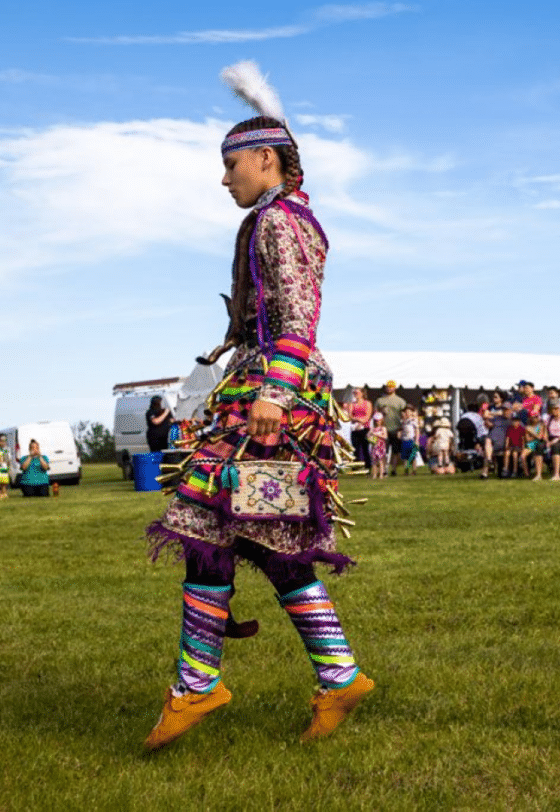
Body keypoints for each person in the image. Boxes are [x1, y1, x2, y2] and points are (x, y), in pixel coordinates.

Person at [143, 62, 373, 750]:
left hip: (277, 397)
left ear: (266, 158)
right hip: (263, 388)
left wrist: (273, 392)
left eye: (231, 164)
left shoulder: (281, 223)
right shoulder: (278, 218)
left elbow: (301, 309)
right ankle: (334, 677)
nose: (224, 178)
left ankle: (199, 684)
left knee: (211, 522)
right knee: (251, 534)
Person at [374, 380, 407, 476]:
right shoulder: (380, 400)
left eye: (391, 386)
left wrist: (402, 428)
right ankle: (384, 470)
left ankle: (394, 469)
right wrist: (381, 413)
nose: (389, 388)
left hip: (396, 428)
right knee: (383, 451)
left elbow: (405, 415)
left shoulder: (400, 401)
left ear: (395, 388)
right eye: (388, 386)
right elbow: (375, 414)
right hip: (383, 429)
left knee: (396, 451)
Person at [348, 387, 372, 466]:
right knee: (355, 448)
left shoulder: (367, 403)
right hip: (355, 429)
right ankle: (357, 466)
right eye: (354, 393)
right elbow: (350, 416)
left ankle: (368, 466)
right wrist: (358, 420)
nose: (356, 395)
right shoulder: (352, 404)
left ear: (362, 393)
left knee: (365, 447)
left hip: (365, 429)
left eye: (357, 393)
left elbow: (367, 417)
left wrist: (357, 419)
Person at [368, 412, 388, 479]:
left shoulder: (383, 428)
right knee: (374, 461)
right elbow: (368, 436)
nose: (377, 422)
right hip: (374, 446)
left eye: (379, 420)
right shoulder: (373, 429)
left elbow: (385, 436)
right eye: (376, 420)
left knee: (380, 461)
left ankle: (381, 475)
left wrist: (377, 434)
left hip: (381, 446)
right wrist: (370, 435)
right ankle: (374, 475)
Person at [0, 434, 10, 499]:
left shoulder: (6, 449)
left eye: (4, 441)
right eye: (1, 441)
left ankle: (4, 493)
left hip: (4, 466)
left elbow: (8, 459)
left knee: (4, 481)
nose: (3, 442)